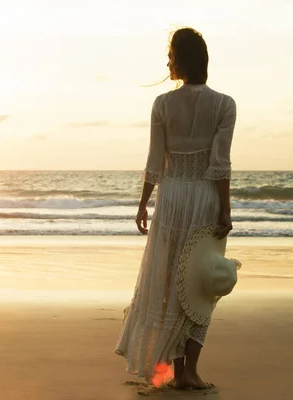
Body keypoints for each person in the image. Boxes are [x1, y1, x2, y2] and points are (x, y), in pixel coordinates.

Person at [114, 27, 236, 389]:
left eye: (170, 55)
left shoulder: (163, 105)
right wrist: (225, 211)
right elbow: (219, 165)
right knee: (201, 284)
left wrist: (143, 203)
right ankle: (188, 372)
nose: (167, 63)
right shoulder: (224, 104)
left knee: (171, 281)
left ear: (182, 60)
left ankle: (178, 368)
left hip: (170, 200)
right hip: (203, 199)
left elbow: (155, 162)